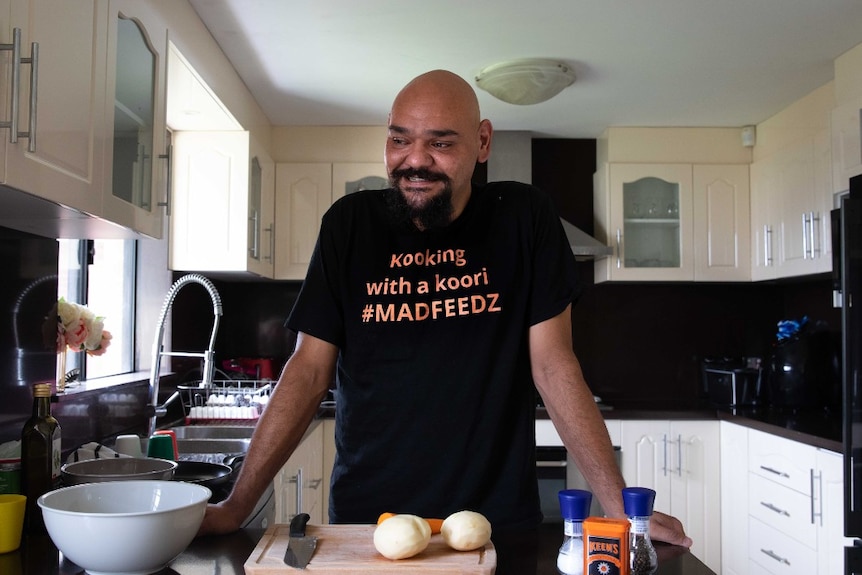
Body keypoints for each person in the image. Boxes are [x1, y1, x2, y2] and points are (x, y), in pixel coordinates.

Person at [198, 69, 691, 547]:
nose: (415, 160)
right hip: (372, 524)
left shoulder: (523, 218)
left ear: (482, 143)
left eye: (440, 143)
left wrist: (617, 504)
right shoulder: (349, 225)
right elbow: (307, 370)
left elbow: (553, 365)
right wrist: (237, 506)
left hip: (489, 524)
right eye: (399, 140)